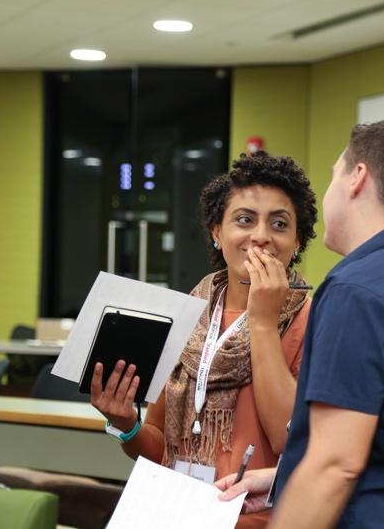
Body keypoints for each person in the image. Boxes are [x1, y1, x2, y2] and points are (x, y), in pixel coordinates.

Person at [217, 118, 384, 528]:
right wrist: (283, 477)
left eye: (334, 174)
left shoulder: (356, 289)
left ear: (357, 177)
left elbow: (336, 464)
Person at [90, 151, 318, 528]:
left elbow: (290, 443)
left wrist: (262, 323)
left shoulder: (313, 320)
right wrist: (126, 423)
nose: (260, 236)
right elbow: (159, 447)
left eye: (279, 224)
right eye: (244, 220)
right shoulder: (189, 315)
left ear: (296, 243)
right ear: (217, 232)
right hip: (173, 514)